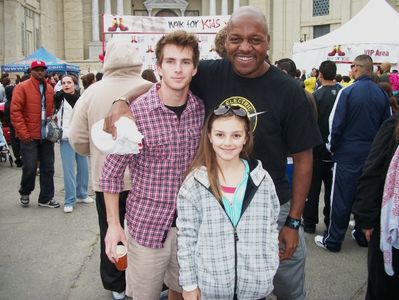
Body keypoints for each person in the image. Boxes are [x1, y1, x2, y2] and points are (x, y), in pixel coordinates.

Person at [106, 7, 322, 300]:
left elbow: (304, 158)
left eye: (255, 40)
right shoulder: (209, 72)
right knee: (217, 285)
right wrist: (121, 101)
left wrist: (294, 220)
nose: (245, 47)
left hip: (271, 208)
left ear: (268, 42)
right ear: (226, 41)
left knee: (285, 288)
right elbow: (165, 80)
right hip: (215, 206)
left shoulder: (289, 91)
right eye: (236, 39)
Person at [100, 30, 204, 300]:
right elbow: (110, 174)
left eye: (185, 62)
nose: (178, 69)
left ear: (195, 68)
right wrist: (113, 225)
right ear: (158, 67)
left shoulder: (203, 111)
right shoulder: (135, 114)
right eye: (170, 61)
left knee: (182, 293)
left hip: (191, 228)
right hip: (146, 227)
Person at [69, 39, 153, 300]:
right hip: (147, 180)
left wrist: (96, 152)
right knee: (149, 235)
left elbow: (77, 138)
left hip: (106, 180)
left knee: (111, 232)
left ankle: (118, 286)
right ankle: (152, 283)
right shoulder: (150, 88)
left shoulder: (91, 92)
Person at [177, 105, 280, 299]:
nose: (228, 142)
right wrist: (189, 284)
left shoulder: (262, 180)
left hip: (255, 287)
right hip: (211, 288)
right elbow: (187, 237)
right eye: (220, 135)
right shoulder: (194, 184)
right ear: (209, 136)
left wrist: (268, 265)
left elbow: (271, 224)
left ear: (246, 137)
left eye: (236, 135)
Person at [314, 55, 391, 252]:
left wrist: (333, 147)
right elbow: (386, 127)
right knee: (366, 194)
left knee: (341, 197)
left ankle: (333, 240)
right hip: (372, 153)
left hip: (347, 153)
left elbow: (335, 123)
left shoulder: (348, 91)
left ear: (357, 68)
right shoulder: (381, 94)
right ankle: (361, 233)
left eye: (352, 67)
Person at [352, 112, 399, 300]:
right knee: (383, 289)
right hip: (389, 228)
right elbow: (373, 170)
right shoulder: (393, 126)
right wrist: (366, 218)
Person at [10, 60, 60, 208]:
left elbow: (50, 111)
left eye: (42, 69)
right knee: (30, 167)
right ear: (31, 71)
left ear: (45, 71)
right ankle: (25, 191)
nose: (39, 72)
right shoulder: (22, 87)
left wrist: (53, 122)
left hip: (46, 137)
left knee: (48, 168)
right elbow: (15, 112)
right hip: (29, 136)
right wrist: (23, 134)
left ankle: (45, 198)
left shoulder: (50, 88)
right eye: (36, 69)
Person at [302, 60, 342, 234]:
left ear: (320, 74)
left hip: (318, 148)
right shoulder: (343, 93)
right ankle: (330, 220)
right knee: (333, 190)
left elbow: (310, 122)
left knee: (313, 187)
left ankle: (310, 222)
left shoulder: (316, 95)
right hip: (337, 149)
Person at [54, 75, 93, 213]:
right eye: (63, 83)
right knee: (69, 170)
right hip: (65, 138)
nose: (66, 85)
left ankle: (82, 193)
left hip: (80, 137)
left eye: (69, 82)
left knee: (84, 168)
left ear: (74, 84)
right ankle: (69, 200)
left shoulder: (81, 99)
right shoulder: (58, 98)